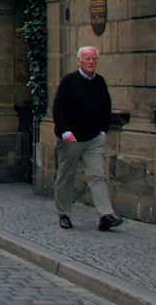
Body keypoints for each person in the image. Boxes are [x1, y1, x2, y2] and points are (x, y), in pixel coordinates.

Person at [52, 46, 123, 232]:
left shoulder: (99, 82)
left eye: (93, 59)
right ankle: (64, 214)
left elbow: (106, 107)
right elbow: (58, 108)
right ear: (79, 61)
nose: (91, 62)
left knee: (97, 175)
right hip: (72, 138)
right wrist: (65, 131)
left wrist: (103, 131)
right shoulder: (69, 81)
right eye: (87, 59)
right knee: (66, 176)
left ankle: (106, 215)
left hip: (94, 138)